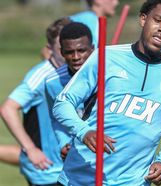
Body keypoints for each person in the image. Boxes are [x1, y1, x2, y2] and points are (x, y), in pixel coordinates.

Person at [53, 0, 161, 185]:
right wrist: (83, 131)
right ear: (143, 19)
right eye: (158, 20)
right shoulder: (106, 57)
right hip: (80, 178)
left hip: (134, 181)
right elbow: (63, 103)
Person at [0, 17, 71, 186]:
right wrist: (30, 149)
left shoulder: (77, 72)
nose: (68, 54)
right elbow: (8, 109)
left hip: (69, 168)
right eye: (61, 48)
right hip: (47, 171)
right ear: (50, 50)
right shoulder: (42, 75)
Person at [45, 22, 94, 160]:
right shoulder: (52, 82)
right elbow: (56, 119)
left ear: (92, 49)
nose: (76, 57)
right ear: (61, 52)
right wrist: (64, 143)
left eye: (82, 50)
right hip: (79, 155)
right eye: (69, 52)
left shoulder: (109, 76)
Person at [41, 0, 119, 60]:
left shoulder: (83, 17)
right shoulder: (91, 20)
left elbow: (46, 50)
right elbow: (91, 56)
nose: (116, 3)